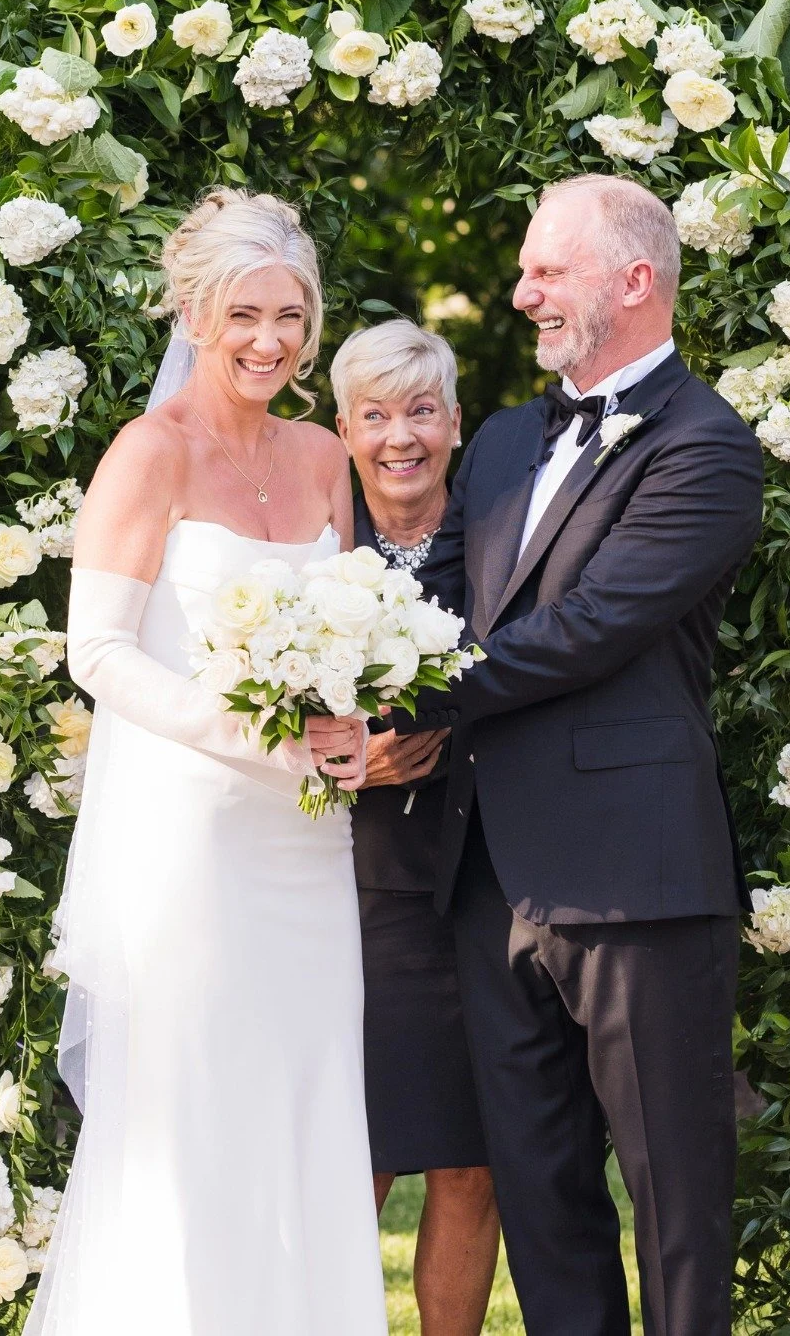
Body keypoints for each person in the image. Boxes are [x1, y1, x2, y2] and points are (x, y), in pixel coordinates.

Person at [396, 174, 766, 1336]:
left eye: (547, 271)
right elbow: (440, 600)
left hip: (635, 882)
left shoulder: (709, 448)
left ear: (635, 280)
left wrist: (415, 697)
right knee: (546, 1207)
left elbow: (591, 628)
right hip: (488, 879)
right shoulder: (506, 437)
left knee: (677, 1211)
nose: (522, 295)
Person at [25, 188, 387, 1335]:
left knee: (308, 1102)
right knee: (196, 1114)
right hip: (192, 842)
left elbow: (357, 633)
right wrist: (251, 737)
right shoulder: (151, 452)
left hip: (308, 849)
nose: (271, 340)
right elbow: (99, 654)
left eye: (292, 315)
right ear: (194, 309)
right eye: (245, 314)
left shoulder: (327, 454)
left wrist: (358, 725)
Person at [330, 320, 500, 1336]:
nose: (402, 437)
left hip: (491, 880)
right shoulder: (316, 545)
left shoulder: (505, 535)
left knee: (474, 1158)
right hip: (363, 884)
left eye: (423, 411)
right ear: (344, 428)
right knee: (360, 1153)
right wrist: (342, 752)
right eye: (377, 415)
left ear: (456, 423)